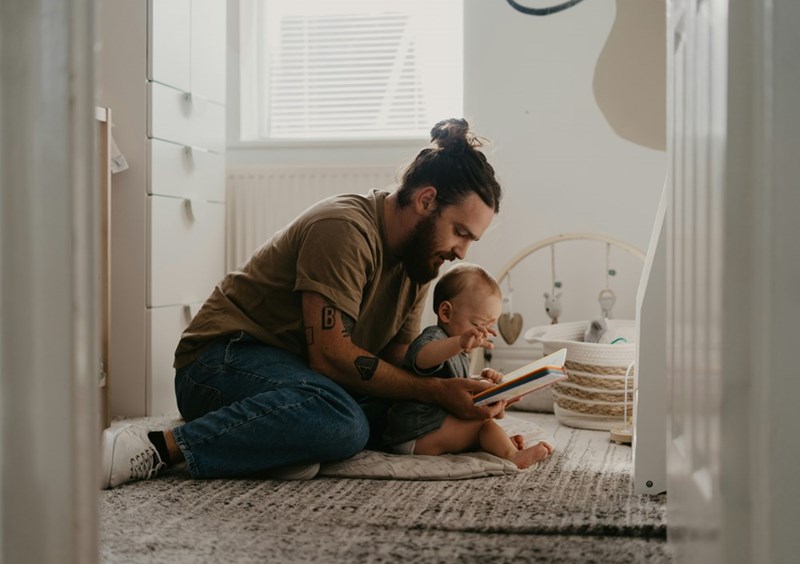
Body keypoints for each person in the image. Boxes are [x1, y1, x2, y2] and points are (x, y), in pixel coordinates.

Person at [101, 118, 507, 488]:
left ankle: (273, 447)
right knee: (344, 423)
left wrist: (464, 391)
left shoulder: (418, 260)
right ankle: (159, 445)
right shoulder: (344, 228)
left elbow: (396, 357)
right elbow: (330, 358)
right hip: (218, 362)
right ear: (426, 200)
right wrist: (436, 392)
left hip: (298, 377)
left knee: (397, 417)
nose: (462, 252)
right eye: (460, 232)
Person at [382, 263, 554, 468]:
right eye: (477, 325)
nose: (482, 335)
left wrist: (495, 395)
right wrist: (459, 342)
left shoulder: (459, 351)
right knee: (482, 427)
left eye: (489, 328)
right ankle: (511, 456)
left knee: (488, 422)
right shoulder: (435, 338)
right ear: (446, 312)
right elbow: (421, 357)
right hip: (414, 433)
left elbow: (462, 394)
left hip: (433, 428)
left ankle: (500, 445)